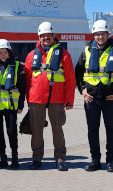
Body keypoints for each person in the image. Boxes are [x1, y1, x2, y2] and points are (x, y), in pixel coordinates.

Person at [75, 20, 113, 173]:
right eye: (97, 34)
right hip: (91, 98)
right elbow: (78, 73)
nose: (100, 37)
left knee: (111, 130)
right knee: (93, 130)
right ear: (94, 35)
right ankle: (95, 160)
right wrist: (82, 91)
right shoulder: (86, 51)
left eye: (103, 33)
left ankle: (110, 161)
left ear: (107, 34)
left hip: (111, 98)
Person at [24, 22, 75, 171]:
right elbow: (27, 79)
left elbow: (70, 79)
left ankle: (60, 159)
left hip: (57, 99)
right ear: (39, 37)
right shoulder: (31, 56)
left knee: (57, 129)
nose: (46, 38)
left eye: (48, 35)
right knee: (36, 130)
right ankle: (37, 159)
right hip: (36, 99)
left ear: (53, 36)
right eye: (43, 35)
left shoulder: (64, 54)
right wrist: (28, 99)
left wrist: (69, 100)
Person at [0, 39, 25, 169]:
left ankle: (15, 158)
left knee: (11, 132)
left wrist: (20, 105)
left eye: (5, 52)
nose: (3, 55)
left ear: (9, 52)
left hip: (10, 105)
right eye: (0, 52)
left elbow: (22, 87)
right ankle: (2, 158)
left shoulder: (17, 66)